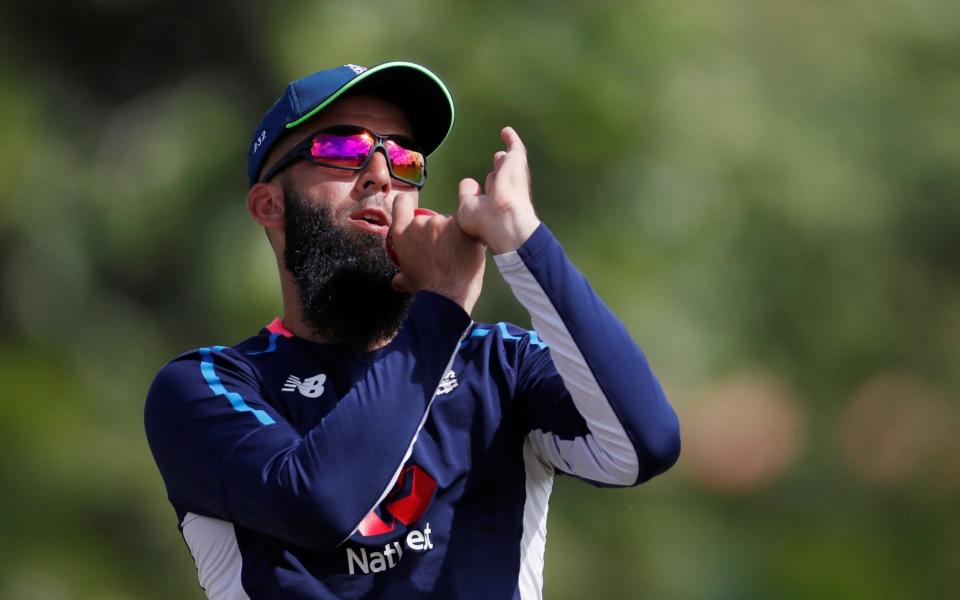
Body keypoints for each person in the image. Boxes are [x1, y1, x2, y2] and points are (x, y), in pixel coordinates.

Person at [144, 61, 681, 600]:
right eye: (341, 148)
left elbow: (643, 445)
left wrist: (522, 239)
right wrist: (443, 299)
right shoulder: (206, 385)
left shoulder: (498, 364)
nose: (381, 173)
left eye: (402, 157)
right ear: (269, 204)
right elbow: (319, 502)